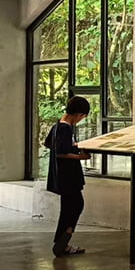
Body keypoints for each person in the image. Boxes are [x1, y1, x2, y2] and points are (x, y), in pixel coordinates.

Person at [44, 96, 93, 257]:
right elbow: (61, 152)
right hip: (68, 175)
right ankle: (64, 238)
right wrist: (80, 157)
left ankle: (62, 241)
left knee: (68, 207)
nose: (81, 120)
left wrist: (72, 146)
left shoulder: (58, 125)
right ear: (79, 114)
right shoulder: (66, 128)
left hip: (62, 175)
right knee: (76, 204)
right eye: (83, 117)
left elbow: (49, 143)